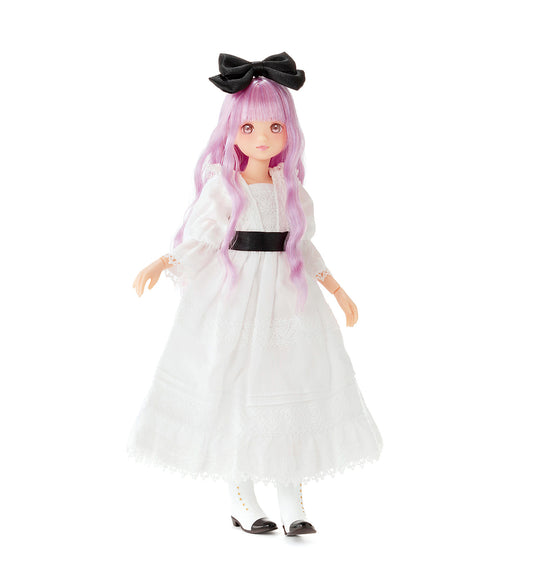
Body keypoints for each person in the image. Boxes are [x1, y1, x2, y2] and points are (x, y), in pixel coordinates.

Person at [127, 53, 383, 536]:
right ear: (232, 132)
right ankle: (241, 496)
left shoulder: (291, 190)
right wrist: (165, 262)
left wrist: (337, 289)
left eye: (273, 127)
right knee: (236, 391)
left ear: (289, 132)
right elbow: (203, 240)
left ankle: (292, 497)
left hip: (288, 302)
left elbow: (302, 246)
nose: (262, 137)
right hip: (238, 300)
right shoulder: (224, 187)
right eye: (248, 128)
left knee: (292, 387)